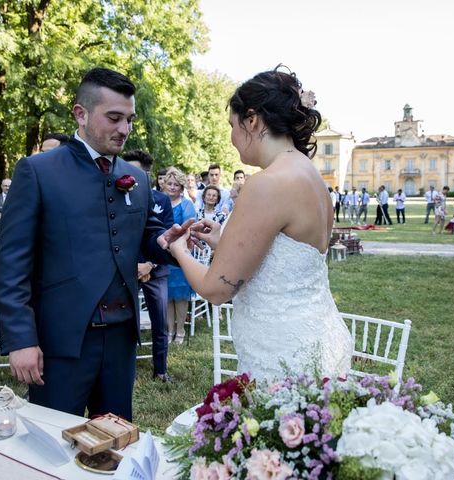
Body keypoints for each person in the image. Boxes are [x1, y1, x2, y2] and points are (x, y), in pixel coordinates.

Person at [0, 67, 187, 420]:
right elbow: (11, 264)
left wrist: (165, 241)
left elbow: (146, 238)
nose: (124, 129)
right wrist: (21, 338)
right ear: (80, 114)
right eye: (114, 118)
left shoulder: (138, 180)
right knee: (52, 447)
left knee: (114, 440)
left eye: (129, 119)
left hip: (121, 338)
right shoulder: (38, 171)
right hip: (61, 340)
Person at [168, 67, 352, 381]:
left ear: (252, 120)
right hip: (318, 336)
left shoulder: (267, 184)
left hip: (282, 355)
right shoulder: (311, 177)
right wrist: (222, 240)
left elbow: (216, 290)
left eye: (232, 125)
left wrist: (179, 250)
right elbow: (287, 256)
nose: (231, 137)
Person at [122, 149, 175, 382]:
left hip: (156, 269)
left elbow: (165, 235)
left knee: (160, 321)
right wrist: (134, 265)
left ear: (147, 174)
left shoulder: (161, 200)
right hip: (126, 270)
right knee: (123, 322)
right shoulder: (115, 198)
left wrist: (149, 265)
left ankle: (160, 369)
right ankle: (123, 370)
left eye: (138, 171)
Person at [163, 167, 196, 345]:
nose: (173, 187)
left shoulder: (186, 204)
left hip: (180, 253)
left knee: (181, 295)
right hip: (162, 251)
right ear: (165, 184)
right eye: (170, 183)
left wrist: (176, 246)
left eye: (176, 184)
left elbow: (188, 229)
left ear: (182, 187)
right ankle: (169, 330)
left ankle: (181, 330)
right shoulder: (160, 201)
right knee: (167, 294)